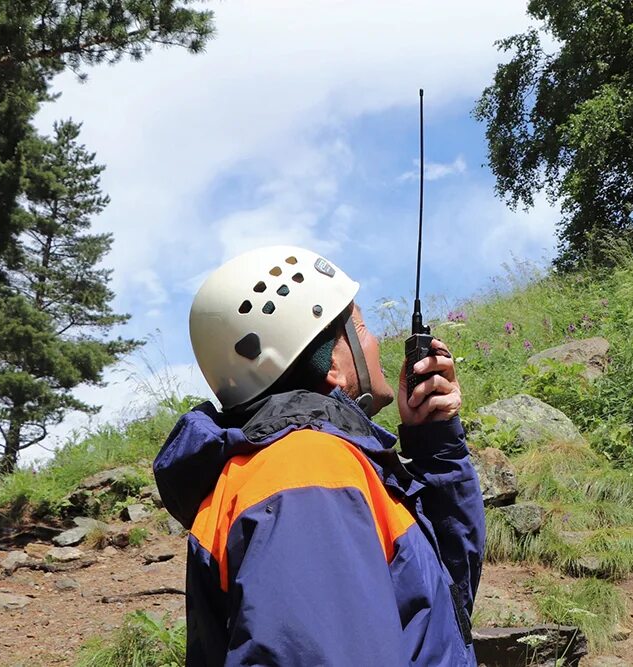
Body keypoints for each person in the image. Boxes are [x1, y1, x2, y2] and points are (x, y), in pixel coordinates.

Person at [154, 245, 485, 666]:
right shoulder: (305, 472)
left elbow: (438, 607)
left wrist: (434, 443)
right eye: (361, 328)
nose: (376, 340)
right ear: (330, 363)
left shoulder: (309, 468)